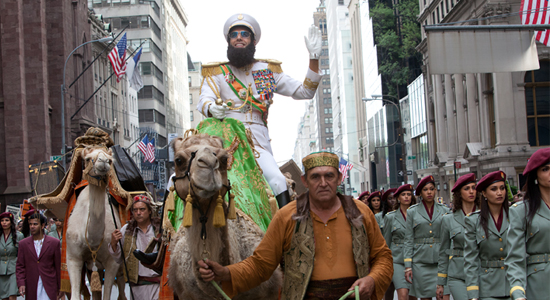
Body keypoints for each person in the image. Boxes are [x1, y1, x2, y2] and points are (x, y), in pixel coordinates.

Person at [198, 151, 393, 299]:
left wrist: (372, 279)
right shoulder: (286, 216)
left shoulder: (361, 211)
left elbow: (382, 256)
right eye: (315, 177)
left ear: (339, 179)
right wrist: (226, 272)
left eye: (329, 176)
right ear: (304, 181)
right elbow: (261, 265)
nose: (323, 183)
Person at [198, 13, 323, 208]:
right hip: (224, 139)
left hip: (256, 142)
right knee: (179, 178)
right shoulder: (216, 72)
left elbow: (305, 91)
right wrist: (211, 108)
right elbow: (204, 101)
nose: (239, 37)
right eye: (234, 35)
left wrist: (314, 58)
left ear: (253, 40)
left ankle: (284, 235)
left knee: (278, 182)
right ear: (229, 41)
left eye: (244, 34)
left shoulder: (268, 70)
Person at [506, 147, 550, 300]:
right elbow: (515, 258)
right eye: (545, 169)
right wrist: (518, 293)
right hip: (538, 287)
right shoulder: (521, 211)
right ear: (535, 176)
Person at [464, 171, 511, 300]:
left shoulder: (515, 216)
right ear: (484, 193)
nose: (499, 193)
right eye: (494, 189)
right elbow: (471, 259)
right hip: (487, 287)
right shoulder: (473, 221)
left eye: (502, 188)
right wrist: (473, 294)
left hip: (513, 284)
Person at [403, 175, 450, 300]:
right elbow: (408, 239)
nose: (429, 192)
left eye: (432, 189)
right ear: (420, 193)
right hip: (421, 262)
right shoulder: (412, 211)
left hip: (442, 261)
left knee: (444, 296)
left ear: (435, 190)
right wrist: (408, 265)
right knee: (425, 298)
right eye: (425, 189)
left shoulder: (445, 210)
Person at [109, 195, 161, 300]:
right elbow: (119, 259)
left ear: (150, 211)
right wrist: (114, 243)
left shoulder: (160, 229)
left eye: (142, 209)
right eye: (135, 210)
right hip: (137, 288)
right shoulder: (126, 230)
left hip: (158, 286)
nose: (138, 213)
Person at [436, 173, 479, 300]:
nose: (471, 191)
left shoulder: (484, 216)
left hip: (481, 272)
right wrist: (441, 282)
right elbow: (443, 252)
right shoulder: (448, 219)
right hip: (458, 275)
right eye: (467, 189)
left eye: (474, 187)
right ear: (459, 194)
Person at [16, 210, 61, 300]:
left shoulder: (54, 243)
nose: (32, 227)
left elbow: (58, 266)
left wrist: (61, 286)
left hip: (49, 284)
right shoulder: (23, 244)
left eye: (35, 224)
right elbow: (20, 266)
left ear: (43, 225)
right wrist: (21, 283)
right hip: (32, 285)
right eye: (30, 224)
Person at [383, 184, 417, 300]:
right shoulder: (390, 217)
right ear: (398, 198)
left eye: (409, 194)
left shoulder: (417, 215)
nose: (406, 197)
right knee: (403, 294)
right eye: (403, 195)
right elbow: (386, 243)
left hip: (415, 258)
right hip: (397, 259)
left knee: (413, 296)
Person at [1, 212, 24, 300]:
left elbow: (21, 254)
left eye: (6, 220)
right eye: (2, 221)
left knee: (12, 295)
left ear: (11, 222)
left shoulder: (18, 236)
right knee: (4, 296)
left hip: (14, 268)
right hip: (1, 269)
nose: (4, 222)